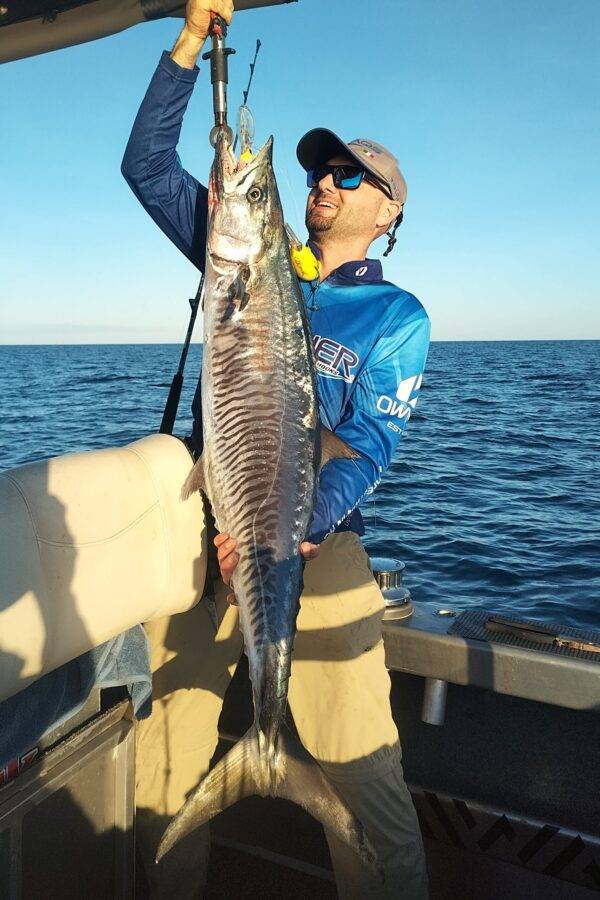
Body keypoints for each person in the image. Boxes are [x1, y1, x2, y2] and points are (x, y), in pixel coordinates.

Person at [122, 1, 431, 897]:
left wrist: (301, 527)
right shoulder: (241, 253)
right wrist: (185, 48)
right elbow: (146, 167)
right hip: (202, 535)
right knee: (165, 759)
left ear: (389, 211)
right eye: (317, 172)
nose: (324, 182)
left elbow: (367, 445)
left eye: (349, 174)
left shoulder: (395, 317)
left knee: (365, 776)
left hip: (316, 546)